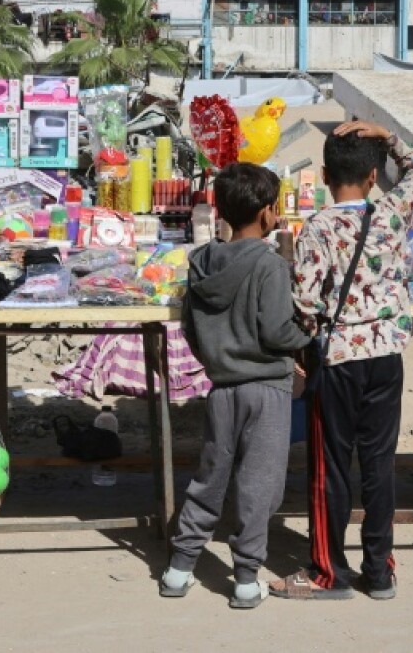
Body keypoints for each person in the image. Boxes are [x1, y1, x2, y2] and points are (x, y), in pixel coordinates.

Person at [271, 120, 413, 601]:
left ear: (323, 175)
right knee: (379, 463)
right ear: (371, 178)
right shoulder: (393, 212)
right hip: (386, 356)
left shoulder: (318, 228)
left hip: (339, 359)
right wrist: (387, 137)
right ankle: (379, 571)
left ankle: (328, 572)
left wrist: (307, 343)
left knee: (331, 467)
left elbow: (303, 303)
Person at [160, 162, 311, 609]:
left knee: (209, 477)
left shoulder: (201, 262)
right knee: (258, 484)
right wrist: (307, 337)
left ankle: (179, 568)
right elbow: (278, 332)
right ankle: (246, 577)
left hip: (221, 388)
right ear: (268, 213)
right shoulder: (269, 264)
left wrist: (216, 356)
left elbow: (189, 327)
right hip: (267, 389)